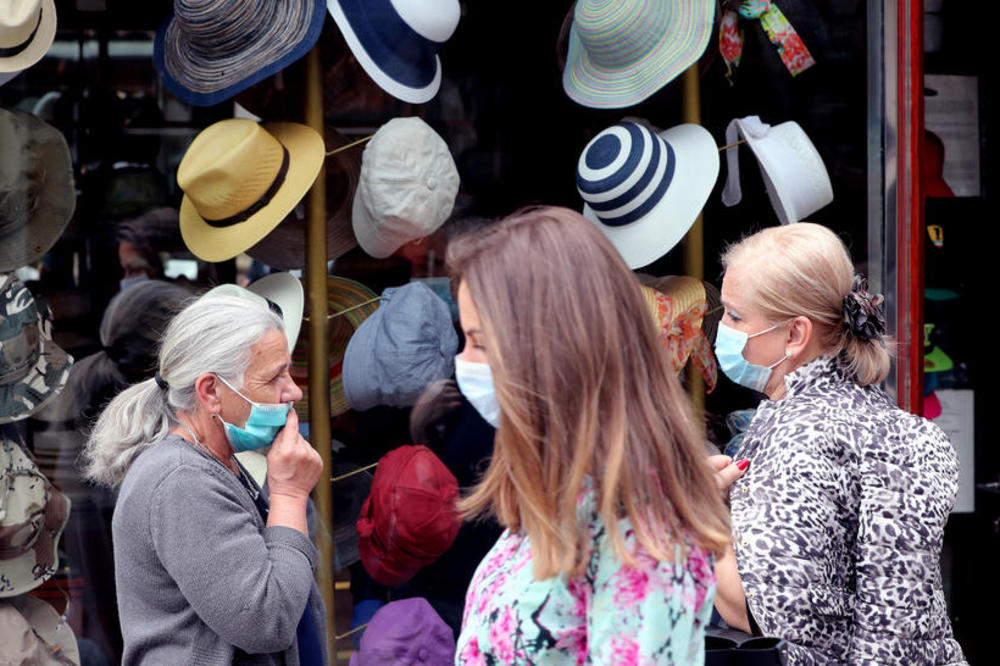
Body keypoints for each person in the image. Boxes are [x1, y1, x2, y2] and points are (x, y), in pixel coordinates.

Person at [448, 206, 732, 664]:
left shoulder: (641, 536)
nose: (464, 362)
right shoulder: (561, 490)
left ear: (555, 349)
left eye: (479, 342)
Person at [712, 223, 966, 664]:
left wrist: (699, 518)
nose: (721, 328)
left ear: (795, 334)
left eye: (734, 316)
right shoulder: (872, 418)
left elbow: (772, 622)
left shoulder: (798, 439)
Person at [82, 290, 326, 665]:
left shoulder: (213, 460)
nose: (293, 390)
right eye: (275, 377)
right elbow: (266, 623)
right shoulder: (181, 480)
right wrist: (290, 494)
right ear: (211, 391)